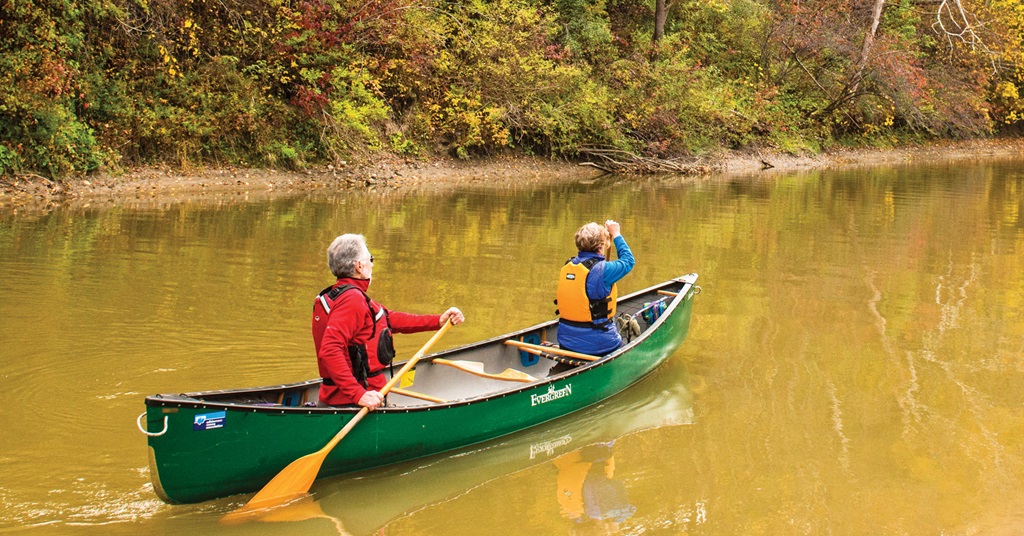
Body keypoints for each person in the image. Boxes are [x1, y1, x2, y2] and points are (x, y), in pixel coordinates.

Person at [312, 234, 464, 409]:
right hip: (356, 405)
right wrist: (358, 394)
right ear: (359, 266)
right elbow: (330, 349)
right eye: (370, 259)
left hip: (345, 400)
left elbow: (388, 319)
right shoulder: (352, 299)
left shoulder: (338, 296)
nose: (372, 264)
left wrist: (438, 320)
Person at [556, 220, 635, 356]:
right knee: (630, 352)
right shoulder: (603, 270)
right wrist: (616, 234)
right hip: (599, 345)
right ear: (601, 245)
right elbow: (629, 260)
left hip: (565, 342)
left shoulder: (568, 267)